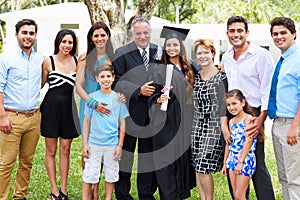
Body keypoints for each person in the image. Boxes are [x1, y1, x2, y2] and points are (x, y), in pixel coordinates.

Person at [221, 16, 275, 200]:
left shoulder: (261, 55)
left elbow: (267, 89)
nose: (236, 34)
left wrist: (261, 119)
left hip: (254, 114)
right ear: (227, 33)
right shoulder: (226, 57)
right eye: (232, 31)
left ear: (247, 33)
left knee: (256, 162)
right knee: (234, 160)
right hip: (233, 113)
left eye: (239, 30)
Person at [112, 17, 159, 200]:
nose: (142, 36)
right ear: (132, 33)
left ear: (150, 33)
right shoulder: (122, 52)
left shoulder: (158, 51)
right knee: (126, 155)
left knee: (147, 157)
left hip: (151, 114)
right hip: (129, 113)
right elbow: (117, 81)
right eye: (138, 33)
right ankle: (122, 194)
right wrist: (138, 90)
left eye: (145, 32)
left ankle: (146, 193)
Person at [148, 26, 196, 199]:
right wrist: (157, 100)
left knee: (182, 159)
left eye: (175, 45)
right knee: (166, 161)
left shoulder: (190, 68)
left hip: (185, 123)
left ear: (181, 46)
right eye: (168, 45)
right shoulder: (158, 69)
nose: (172, 48)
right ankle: (168, 195)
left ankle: (180, 194)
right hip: (166, 123)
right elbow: (151, 95)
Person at [0, 19, 44, 200]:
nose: (28, 36)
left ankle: (20, 196)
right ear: (16, 34)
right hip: (11, 117)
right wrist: (2, 116)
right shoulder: (5, 58)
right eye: (24, 32)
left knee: (27, 163)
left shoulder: (40, 59)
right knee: (5, 163)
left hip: (34, 117)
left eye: (31, 33)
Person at [76, 21, 115, 200]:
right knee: (89, 150)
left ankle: (98, 191)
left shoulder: (113, 59)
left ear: (108, 36)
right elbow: (78, 86)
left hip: (108, 109)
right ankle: (92, 190)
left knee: (104, 148)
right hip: (89, 106)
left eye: (103, 35)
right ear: (91, 38)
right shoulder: (84, 58)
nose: (99, 38)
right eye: (96, 35)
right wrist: (93, 103)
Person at [40, 29, 79, 200]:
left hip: (69, 111)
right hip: (50, 109)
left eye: (70, 42)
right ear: (58, 42)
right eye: (64, 42)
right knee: (51, 149)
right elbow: (39, 85)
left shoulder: (78, 61)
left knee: (66, 149)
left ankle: (64, 190)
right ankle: (54, 190)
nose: (67, 45)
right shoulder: (48, 62)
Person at [81, 64, 129, 200]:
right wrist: (85, 144)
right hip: (94, 144)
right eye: (102, 77)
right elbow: (86, 121)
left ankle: (108, 198)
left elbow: (122, 123)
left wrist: (119, 146)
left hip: (112, 145)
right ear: (97, 79)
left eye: (108, 76)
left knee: (111, 175)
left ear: (113, 78)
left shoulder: (119, 99)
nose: (106, 79)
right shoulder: (92, 98)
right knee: (89, 175)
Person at [268, 17, 300, 200]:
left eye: (283, 33)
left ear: (293, 34)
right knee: (284, 177)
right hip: (278, 122)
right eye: (275, 34)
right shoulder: (282, 60)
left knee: (295, 178)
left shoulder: (298, 59)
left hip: (292, 125)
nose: (278, 37)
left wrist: (295, 126)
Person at [191, 39, 227, 200]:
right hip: (197, 126)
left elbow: (223, 105)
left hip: (214, 127)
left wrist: (224, 128)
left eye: (206, 52)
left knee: (204, 166)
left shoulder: (221, 76)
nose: (203, 56)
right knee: (198, 167)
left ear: (213, 54)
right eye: (199, 53)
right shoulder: (196, 76)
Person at [222, 89, 266, 200]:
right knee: (235, 195)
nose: (231, 107)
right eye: (228, 105)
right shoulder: (231, 121)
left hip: (245, 159)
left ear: (243, 102)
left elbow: (248, 141)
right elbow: (229, 143)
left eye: (234, 103)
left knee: (239, 195)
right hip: (232, 160)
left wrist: (241, 162)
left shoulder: (249, 119)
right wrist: (225, 163)